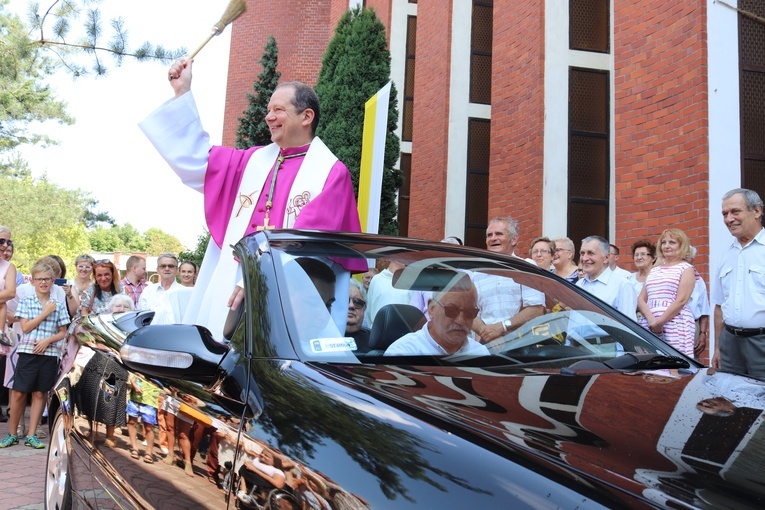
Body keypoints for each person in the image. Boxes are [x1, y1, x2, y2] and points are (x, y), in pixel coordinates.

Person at [140, 61, 361, 340]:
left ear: (306, 116)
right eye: (268, 110)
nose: (269, 117)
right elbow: (199, 160)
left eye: (278, 110)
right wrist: (183, 92)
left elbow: (308, 241)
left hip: (286, 293)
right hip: (231, 281)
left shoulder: (330, 172)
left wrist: (256, 280)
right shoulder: (251, 161)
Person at [0, 261, 69, 449]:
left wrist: (48, 340)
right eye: (39, 279)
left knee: (40, 393)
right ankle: (12, 433)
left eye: (46, 279)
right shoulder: (27, 301)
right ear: (33, 281)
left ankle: (31, 434)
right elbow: (25, 327)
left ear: (53, 281)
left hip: (49, 353)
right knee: (19, 392)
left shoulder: (58, 304)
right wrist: (46, 312)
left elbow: (63, 331)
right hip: (27, 352)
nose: (43, 283)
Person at [712, 188, 765, 378]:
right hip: (730, 344)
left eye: (735, 211)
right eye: (725, 214)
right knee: (729, 403)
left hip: (761, 343)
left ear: (757, 211)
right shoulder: (726, 254)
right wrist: (718, 347)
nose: (728, 219)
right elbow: (719, 307)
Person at [471, 217, 545, 342]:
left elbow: (536, 309)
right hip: (485, 344)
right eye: (489, 235)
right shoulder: (476, 273)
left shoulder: (525, 267)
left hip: (519, 344)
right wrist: (487, 333)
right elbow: (469, 312)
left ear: (514, 239)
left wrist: (502, 327)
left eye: (499, 234)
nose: (493, 238)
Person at [386, 273, 488, 357]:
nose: (461, 320)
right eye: (451, 310)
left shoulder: (481, 354)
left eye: (470, 312)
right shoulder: (402, 353)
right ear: (432, 309)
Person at [637, 229, 698, 357]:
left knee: (675, 367)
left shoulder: (686, 268)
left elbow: (681, 300)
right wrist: (652, 320)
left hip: (676, 324)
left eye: (672, 242)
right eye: (664, 242)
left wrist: (660, 322)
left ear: (682, 246)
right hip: (649, 323)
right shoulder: (654, 270)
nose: (666, 246)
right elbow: (641, 299)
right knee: (649, 365)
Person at [576, 236, 637, 320]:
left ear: (606, 258)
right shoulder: (579, 285)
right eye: (582, 253)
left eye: (591, 253)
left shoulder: (622, 285)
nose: (585, 258)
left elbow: (629, 327)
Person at [126, 372, 160, 464]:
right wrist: (134, 384)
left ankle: (149, 453)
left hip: (150, 399)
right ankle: (134, 448)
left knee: (149, 427)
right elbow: (133, 375)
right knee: (132, 422)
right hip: (135, 398)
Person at [0, 227, 17, 348]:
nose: (5, 245)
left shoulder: (9, 267)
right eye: (2, 241)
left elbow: (10, 292)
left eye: (8, 242)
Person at [346, 280, 370, 351]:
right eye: (344, 300)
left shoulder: (374, 344)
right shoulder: (318, 340)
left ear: (364, 309)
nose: (351, 305)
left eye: (357, 302)